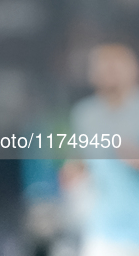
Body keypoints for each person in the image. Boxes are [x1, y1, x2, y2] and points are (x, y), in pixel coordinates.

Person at [62, 43, 139, 256]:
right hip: (103, 231)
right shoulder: (85, 115)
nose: (109, 72)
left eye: (115, 66)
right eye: (103, 67)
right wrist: (74, 170)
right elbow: (81, 159)